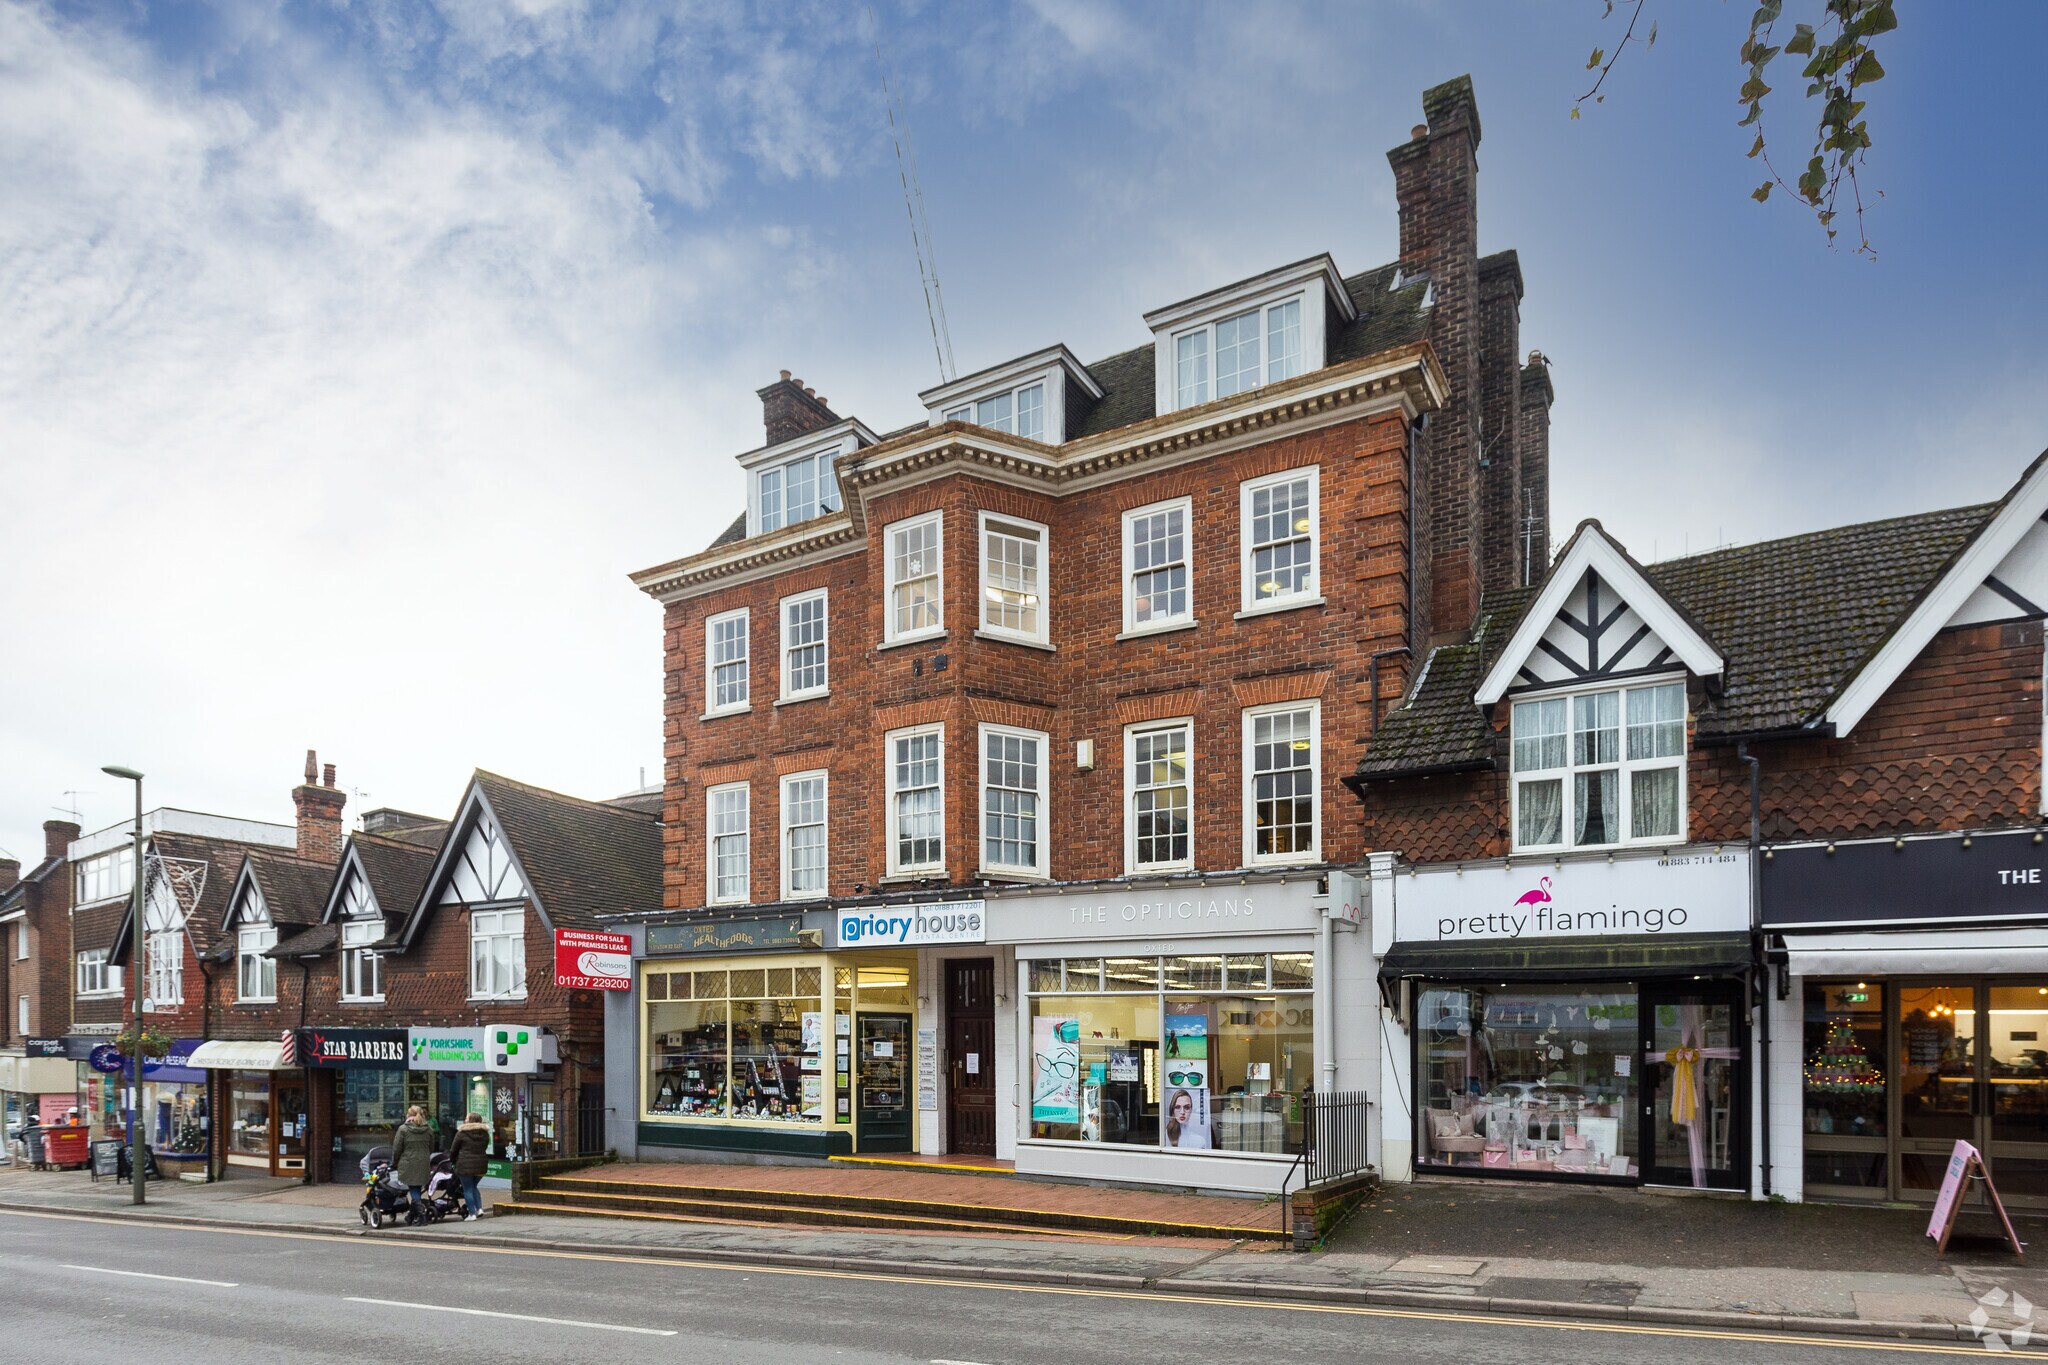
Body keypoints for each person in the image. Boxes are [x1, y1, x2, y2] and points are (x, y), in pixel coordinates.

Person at [447, 1110, 491, 1221]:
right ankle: (480, 1208)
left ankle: (472, 1214)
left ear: (470, 1120)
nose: (465, 1120)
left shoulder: (461, 1133)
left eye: (466, 1118)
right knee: (474, 1186)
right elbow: (485, 1147)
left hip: (465, 1164)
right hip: (481, 1164)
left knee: (467, 1189)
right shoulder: (485, 1133)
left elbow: (453, 1150)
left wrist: (452, 1161)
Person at [391, 1104, 434, 1211]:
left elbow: (397, 1149)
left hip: (408, 1162)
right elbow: (431, 1147)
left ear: (408, 1115)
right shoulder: (428, 1129)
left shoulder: (403, 1129)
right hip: (424, 1162)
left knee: (413, 1187)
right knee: (417, 1186)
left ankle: (419, 1211)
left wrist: (394, 1162)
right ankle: (417, 1209)